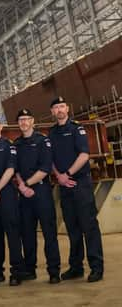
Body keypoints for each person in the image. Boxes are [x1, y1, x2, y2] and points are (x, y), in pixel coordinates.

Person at [49, 96, 103, 283]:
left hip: (80, 184)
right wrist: (59, 176)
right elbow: (51, 160)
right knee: (72, 228)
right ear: (52, 112)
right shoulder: (52, 133)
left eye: (62, 106)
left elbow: (84, 155)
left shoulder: (77, 129)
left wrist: (68, 174)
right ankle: (76, 267)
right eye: (56, 107)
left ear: (67, 109)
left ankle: (96, 267)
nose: (59, 110)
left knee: (89, 227)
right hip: (64, 186)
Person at [13, 108, 61, 284]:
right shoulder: (16, 144)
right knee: (27, 233)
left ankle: (54, 270)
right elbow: (15, 170)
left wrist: (27, 184)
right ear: (18, 123)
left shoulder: (43, 140)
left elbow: (46, 167)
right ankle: (30, 269)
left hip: (41, 191)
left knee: (49, 233)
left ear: (32, 121)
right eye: (21, 120)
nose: (24, 122)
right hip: (24, 194)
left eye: (27, 119)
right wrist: (22, 186)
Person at [0, 116, 24, 286]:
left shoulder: (9, 145)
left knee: (12, 233)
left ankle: (16, 272)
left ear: (0, 128)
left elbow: (10, 169)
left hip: (6, 192)